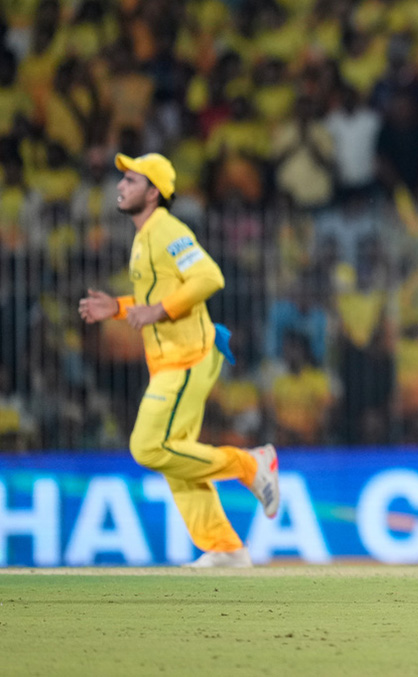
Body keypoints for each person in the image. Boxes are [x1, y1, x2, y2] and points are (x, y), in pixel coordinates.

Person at [78, 152, 280, 568]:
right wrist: (116, 307)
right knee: (177, 455)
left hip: (188, 358)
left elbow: (210, 277)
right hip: (171, 360)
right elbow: (154, 298)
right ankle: (225, 549)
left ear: (153, 192)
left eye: (131, 181)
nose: (120, 186)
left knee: (148, 447)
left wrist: (158, 312)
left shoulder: (167, 229)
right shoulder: (145, 236)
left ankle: (250, 463)